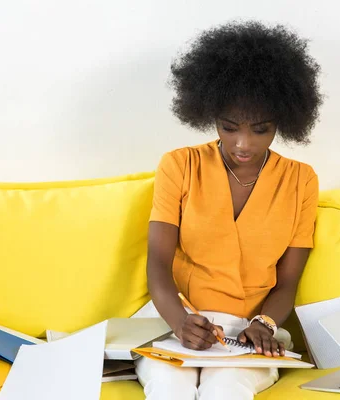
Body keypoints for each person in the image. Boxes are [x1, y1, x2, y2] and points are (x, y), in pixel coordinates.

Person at [135, 19, 323, 400]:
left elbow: (287, 281)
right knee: (169, 388)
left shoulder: (301, 180)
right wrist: (181, 322)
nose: (243, 143)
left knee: (227, 391)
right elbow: (157, 262)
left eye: (261, 129)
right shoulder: (179, 165)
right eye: (228, 126)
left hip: (247, 332)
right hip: (174, 317)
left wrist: (264, 324)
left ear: (284, 121)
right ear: (209, 114)